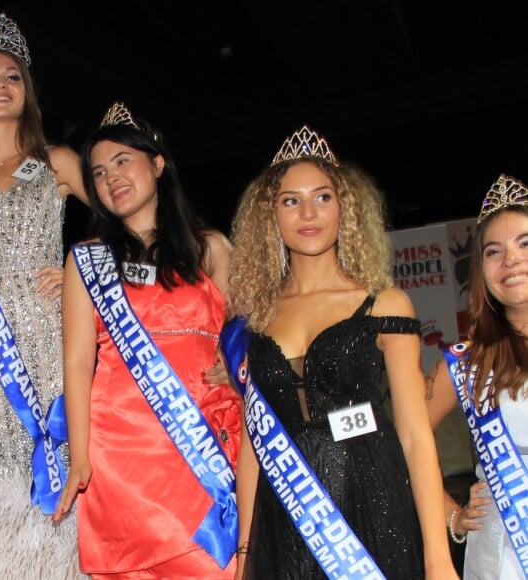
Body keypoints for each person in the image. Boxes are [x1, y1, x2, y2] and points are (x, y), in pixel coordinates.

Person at [223, 126, 459, 579]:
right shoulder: (255, 319)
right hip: (285, 511)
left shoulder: (384, 304)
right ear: (269, 214)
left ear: (344, 207)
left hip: (370, 499)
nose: (308, 212)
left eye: (322, 197)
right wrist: (245, 554)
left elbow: (414, 435)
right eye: (291, 200)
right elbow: (254, 445)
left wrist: (438, 556)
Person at [52, 102, 240, 578]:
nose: (110, 178)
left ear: (157, 164)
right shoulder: (87, 261)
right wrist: (79, 457)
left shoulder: (211, 248)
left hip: (199, 449)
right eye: (97, 172)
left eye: (122, 162)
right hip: (118, 458)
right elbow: (76, 362)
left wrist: (239, 361)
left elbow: (249, 334)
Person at [0, 12, 88, 578]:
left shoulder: (57, 163)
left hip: (55, 352)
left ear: (26, 92)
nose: (0, 84)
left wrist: (82, 266)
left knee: (57, 489)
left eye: (12, 75)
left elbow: (128, 221)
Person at [426, 174, 528, 579]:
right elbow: (401, 444)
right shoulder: (467, 363)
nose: (511, 261)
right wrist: (450, 514)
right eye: (493, 251)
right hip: (503, 553)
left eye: (525, 244)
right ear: (481, 270)